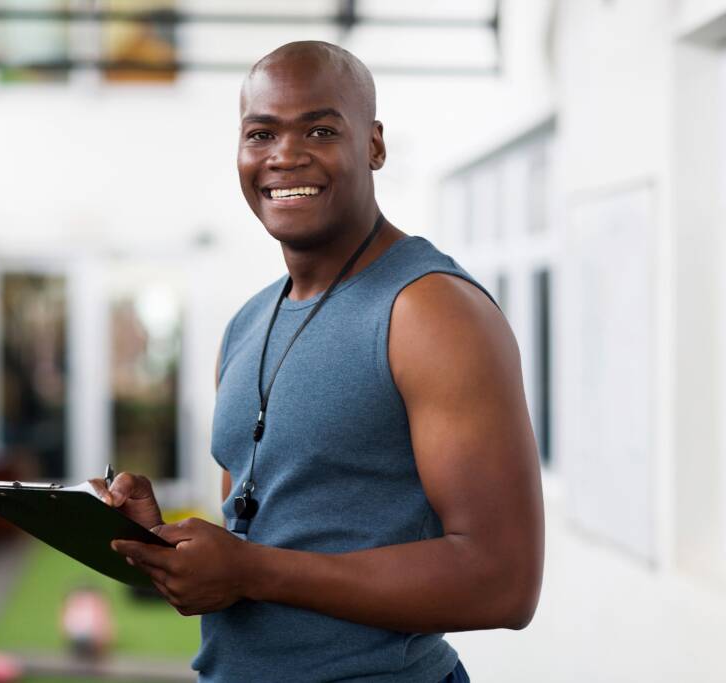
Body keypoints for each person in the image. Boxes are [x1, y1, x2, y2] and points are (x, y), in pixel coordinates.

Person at [93, 41, 544, 683]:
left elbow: (505, 583)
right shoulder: (248, 323)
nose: (285, 155)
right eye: (261, 132)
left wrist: (249, 570)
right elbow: (258, 540)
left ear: (375, 145)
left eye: (321, 129)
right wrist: (162, 545)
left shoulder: (432, 313)